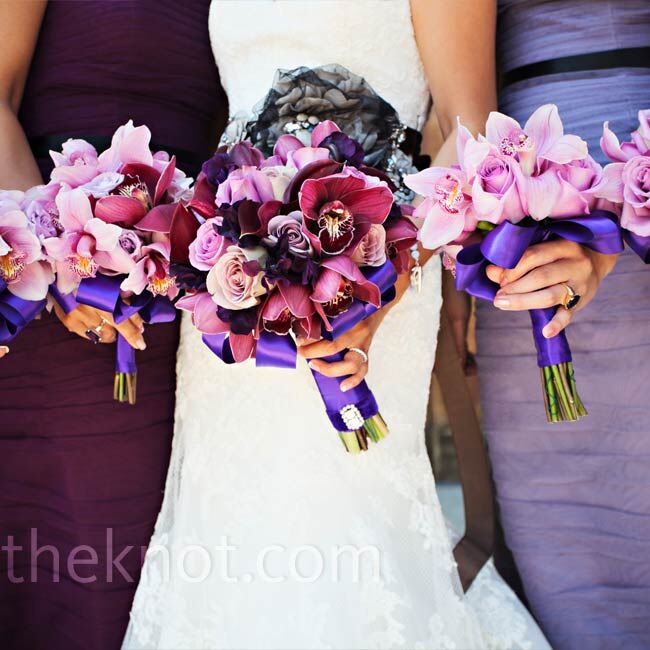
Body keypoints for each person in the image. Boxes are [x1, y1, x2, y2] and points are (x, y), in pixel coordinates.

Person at [123, 2, 550, 648]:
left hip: (378, 269)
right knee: (234, 534)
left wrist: (384, 283)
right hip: (234, 287)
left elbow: (473, 135)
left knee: (348, 526)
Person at [0, 2, 228, 649]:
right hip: (60, 294)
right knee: (85, 573)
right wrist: (55, 259)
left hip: (177, 300)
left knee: (152, 579)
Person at [466, 1, 650, 648]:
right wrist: (490, 228)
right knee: (576, 576)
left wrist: (621, 219)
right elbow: (463, 112)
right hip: (530, 226)